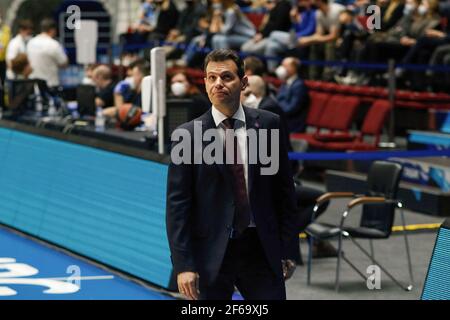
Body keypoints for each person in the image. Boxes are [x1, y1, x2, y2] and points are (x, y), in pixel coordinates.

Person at [166, 49, 299, 300]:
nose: (218, 84)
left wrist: (288, 250)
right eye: (211, 78)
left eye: (226, 77)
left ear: (244, 82)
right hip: (210, 252)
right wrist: (183, 265)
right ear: (204, 82)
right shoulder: (187, 135)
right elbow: (177, 207)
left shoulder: (269, 124)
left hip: (261, 249)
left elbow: (285, 194)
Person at [27, 19, 68, 88]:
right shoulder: (54, 44)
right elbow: (64, 63)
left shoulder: (30, 43)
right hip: (50, 85)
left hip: (34, 84)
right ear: (52, 30)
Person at [275, 57, 309, 133]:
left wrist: (277, 107)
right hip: (283, 120)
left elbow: (291, 108)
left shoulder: (299, 85)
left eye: (285, 66)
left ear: (293, 68)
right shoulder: (285, 83)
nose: (281, 69)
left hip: (293, 124)